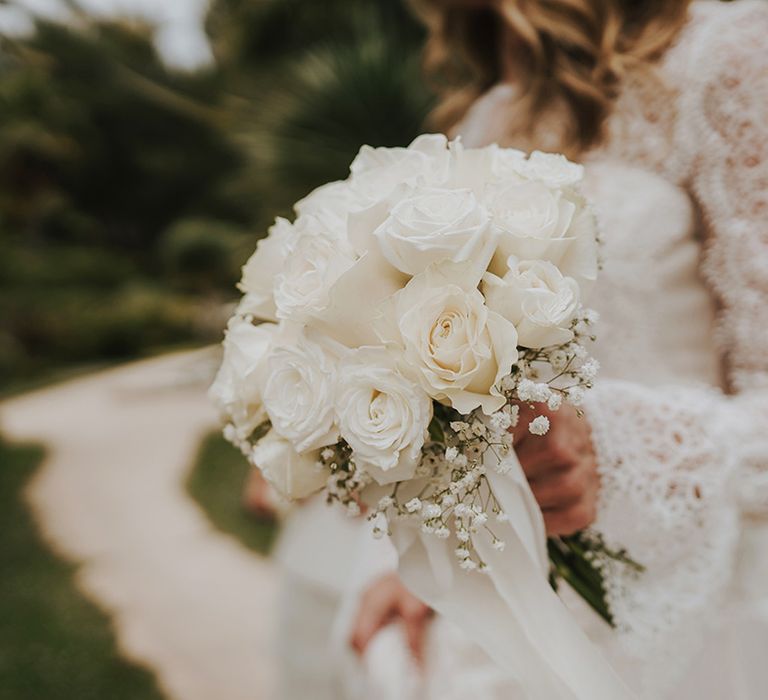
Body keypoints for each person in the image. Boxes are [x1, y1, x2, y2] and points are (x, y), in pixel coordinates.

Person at [348, 0, 768, 697]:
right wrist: (425, 563)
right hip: (508, 632)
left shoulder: (729, 56)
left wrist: (624, 448)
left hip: (704, 625)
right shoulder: (480, 121)